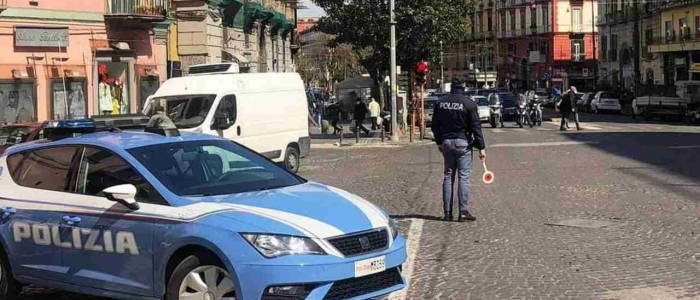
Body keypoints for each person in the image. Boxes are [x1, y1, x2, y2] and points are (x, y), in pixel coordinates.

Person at [431, 76, 486, 222]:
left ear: (451, 87)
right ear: (463, 87)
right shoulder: (469, 103)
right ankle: (462, 212)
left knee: (448, 176)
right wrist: (481, 147)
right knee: (463, 177)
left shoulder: (440, 103)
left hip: (446, 143)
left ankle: (447, 213)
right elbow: (476, 127)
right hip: (463, 143)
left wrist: (439, 142)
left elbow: (434, 125)